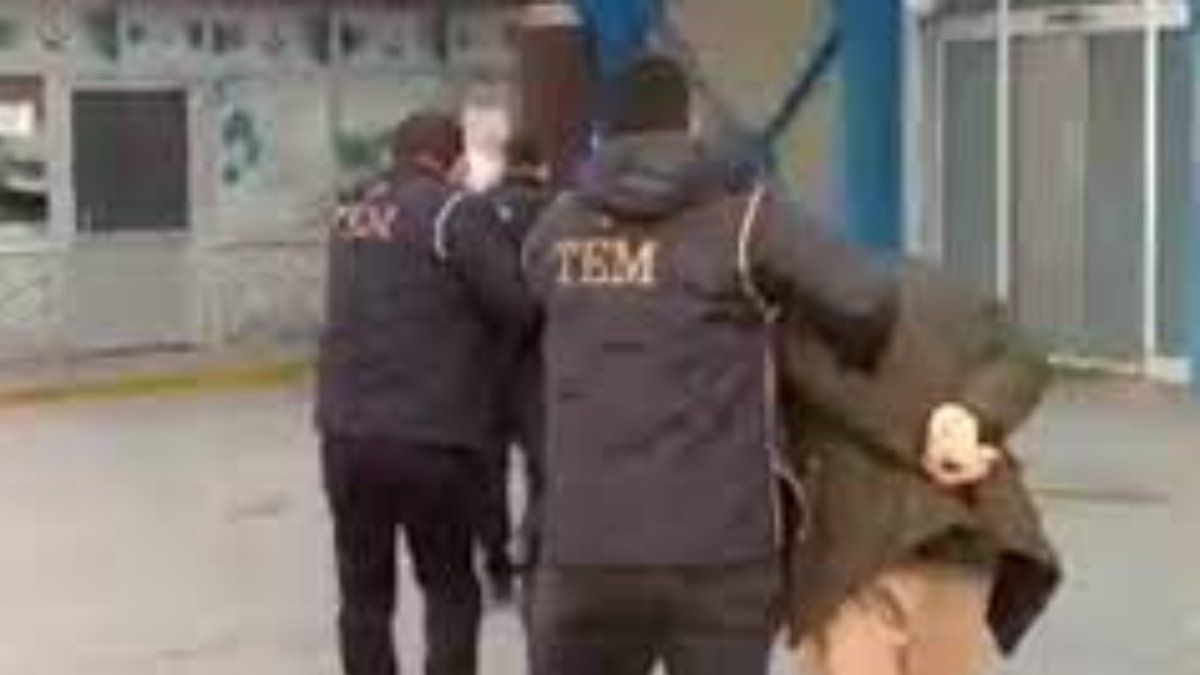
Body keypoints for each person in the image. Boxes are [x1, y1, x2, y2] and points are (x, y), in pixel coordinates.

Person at [520, 53, 898, 675]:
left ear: (605, 131)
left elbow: (529, 314)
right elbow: (867, 301)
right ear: (689, 123)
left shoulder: (557, 229)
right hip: (720, 550)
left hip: (585, 546)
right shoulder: (746, 222)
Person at [315, 110, 533, 675]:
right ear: (452, 160)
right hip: (431, 436)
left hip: (345, 435)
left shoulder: (350, 216)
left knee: (363, 596)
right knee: (449, 586)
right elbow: (515, 305)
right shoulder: (455, 211)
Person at [777, 260, 1062, 675]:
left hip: (856, 548)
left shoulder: (788, 324)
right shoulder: (949, 296)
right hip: (958, 534)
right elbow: (1026, 355)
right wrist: (969, 418)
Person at [475, 130, 556, 605]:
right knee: (547, 465)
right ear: (541, 164)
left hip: (485, 360)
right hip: (538, 360)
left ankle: (497, 568)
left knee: (489, 470)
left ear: (506, 162)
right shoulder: (558, 210)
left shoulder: (475, 209)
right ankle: (534, 546)